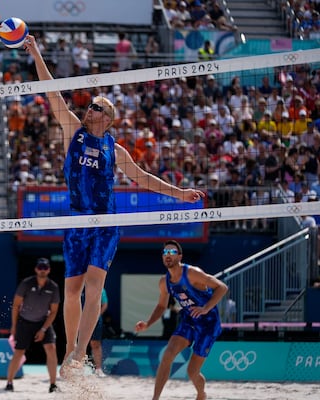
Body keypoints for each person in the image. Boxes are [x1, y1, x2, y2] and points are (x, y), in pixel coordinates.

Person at [23, 35, 205, 379]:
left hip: (105, 222)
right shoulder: (73, 132)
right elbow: (52, 93)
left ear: (108, 118)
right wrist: (35, 52)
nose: (90, 108)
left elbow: (143, 178)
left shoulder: (115, 149)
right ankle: (69, 350)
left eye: (97, 107)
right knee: (71, 289)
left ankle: (79, 352)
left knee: (93, 286)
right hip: (77, 221)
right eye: (90, 104)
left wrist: (179, 193)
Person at [135, 240, 228, 400]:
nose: (168, 255)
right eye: (165, 253)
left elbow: (222, 287)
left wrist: (205, 308)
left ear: (180, 256)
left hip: (208, 324)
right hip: (189, 320)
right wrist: (148, 324)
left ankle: (201, 394)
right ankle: (155, 398)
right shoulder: (164, 282)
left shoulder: (192, 273)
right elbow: (161, 305)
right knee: (167, 355)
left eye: (172, 252)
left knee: (192, 372)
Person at [5, 258, 60, 393]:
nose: (42, 270)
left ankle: (53, 384)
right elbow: (16, 306)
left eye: (45, 268)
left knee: (51, 348)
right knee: (19, 352)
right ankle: (9, 382)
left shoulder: (53, 287)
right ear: (36, 269)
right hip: (25, 321)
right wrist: (14, 325)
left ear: (49, 270)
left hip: (43, 321)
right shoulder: (26, 283)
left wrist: (43, 329)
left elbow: (53, 312)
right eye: (40, 267)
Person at [89, 288, 108, 377]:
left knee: (95, 343)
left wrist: (96, 315)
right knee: (77, 344)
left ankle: (98, 369)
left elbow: (104, 304)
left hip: (95, 318)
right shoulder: (78, 284)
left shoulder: (100, 288)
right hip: (80, 318)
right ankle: (76, 368)